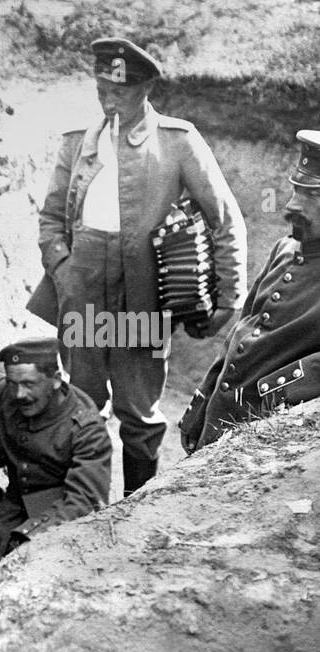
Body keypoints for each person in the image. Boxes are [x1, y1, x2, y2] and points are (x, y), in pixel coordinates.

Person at [28, 36, 248, 496]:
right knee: (82, 402)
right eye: (102, 88)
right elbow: (51, 218)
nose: (109, 99)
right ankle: (82, 505)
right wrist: (64, 268)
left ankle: (133, 508)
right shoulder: (77, 143)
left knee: (138, 409)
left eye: (120, 91)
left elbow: (224, 217)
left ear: (145, 88)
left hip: (142, 299)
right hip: (83, 291)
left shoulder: (178, 141)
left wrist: (230, 295)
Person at [180, 130, 320, 451]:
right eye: (296, 190)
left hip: (266, 432)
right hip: (221, 417)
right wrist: (201, 404)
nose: (292, 205)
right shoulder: (284, 249)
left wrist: (268, 392)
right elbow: (241, 334)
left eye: (311, 196)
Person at [0, 339, 112, 555]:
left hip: (60, 514)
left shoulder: (87, 428)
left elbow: (84, 502)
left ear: (55, 380)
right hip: (15, 505)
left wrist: (28, 536)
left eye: (28, 384)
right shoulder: (7, 391)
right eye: (12, 383)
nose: (18, 394)